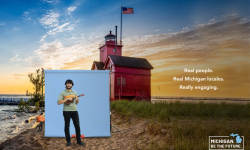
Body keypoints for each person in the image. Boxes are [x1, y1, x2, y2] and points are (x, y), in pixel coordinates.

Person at [57, 79, 85, 146]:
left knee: (77, 126)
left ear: (72, 85)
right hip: (66, 111)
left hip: (74, 111)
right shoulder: (63, 93)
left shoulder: (75, 93)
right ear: (66, 84)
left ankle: (79, 140)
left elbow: (76, 103)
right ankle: (68, 141)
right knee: (67, 126)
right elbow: (59, 102)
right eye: (67, 83)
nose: (69, 85)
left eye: (70, 83)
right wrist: (66, 99)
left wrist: (77, 100)